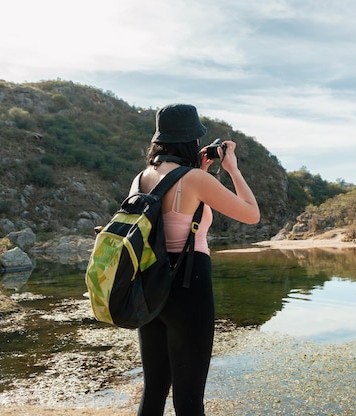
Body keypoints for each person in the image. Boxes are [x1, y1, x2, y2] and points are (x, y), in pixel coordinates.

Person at [135, 103, 260, 415]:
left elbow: (167, 217)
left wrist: (199, 171)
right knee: (189, 401)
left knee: (153, 393)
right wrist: (231, 168)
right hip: (189, 287)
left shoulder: (141, 178)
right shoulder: (194, 180)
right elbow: (251, 214)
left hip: (150, 286)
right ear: (190, 140)